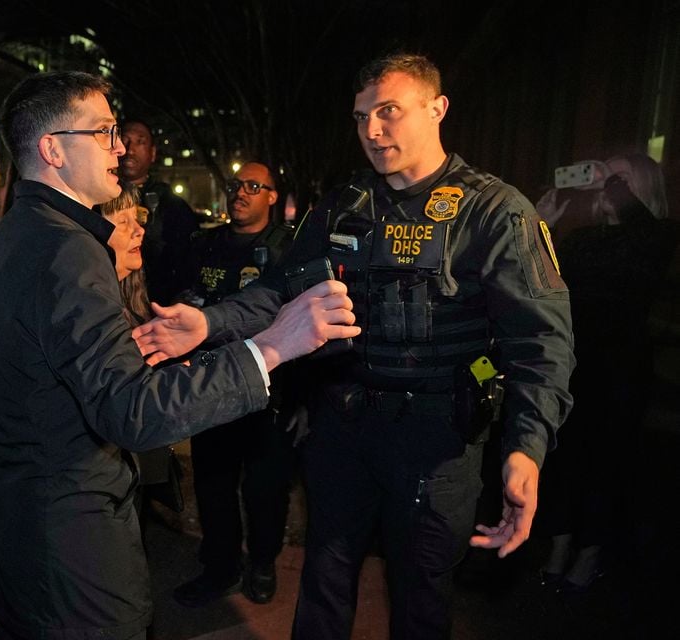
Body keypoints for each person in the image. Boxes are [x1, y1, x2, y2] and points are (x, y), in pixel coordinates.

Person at [133, 52, 576, 640]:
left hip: (437, 441)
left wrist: (526, 448)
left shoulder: (493, 212)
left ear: (437, 109)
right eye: (361, 115)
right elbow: (280, 291)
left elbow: (541, 342)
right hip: (343, 430)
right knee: (325, 579)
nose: (371, 129)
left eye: (388, 111)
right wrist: (209, 323)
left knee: (421, 597)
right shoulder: (342, 206)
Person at [0, 70, 360, 640]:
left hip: (23, 527)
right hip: (70, 543)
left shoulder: (15, 234)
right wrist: (271, 346)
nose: (121, 146)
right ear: (52, 149)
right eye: (103, 132)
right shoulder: (67, 251)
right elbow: (133, 413)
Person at [535, 151, 679, 593]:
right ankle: (559, 549)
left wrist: (609, 180)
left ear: (642, 187)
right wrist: (540, 227)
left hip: (621, 367)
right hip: (576, 362)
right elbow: (540, 286)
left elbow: (644, 243)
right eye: (606, 177)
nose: (606, 184)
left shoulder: (657, 236)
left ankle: (590, 553)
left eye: (620, 179)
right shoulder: (583, 237)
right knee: (565, 458)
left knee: (606, 463)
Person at [173, 161, 297, 607]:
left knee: (265, 488)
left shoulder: (289, 250)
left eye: (252, 186)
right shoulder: (206, 246)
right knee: (213, 484)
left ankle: (262, 563)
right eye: (234, 185)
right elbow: (185, 296)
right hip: (212, 386)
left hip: (270, 391)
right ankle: (220, 566)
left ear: (271, 196)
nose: (239, 193)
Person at [119, 119, 200, 304]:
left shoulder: (170, 204)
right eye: (124, 140)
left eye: (140, 142)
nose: (130, 149)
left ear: (153, 153)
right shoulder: (96, 197)